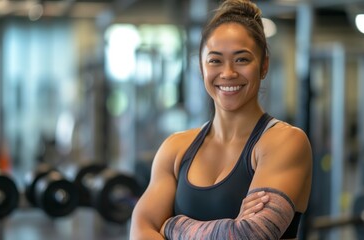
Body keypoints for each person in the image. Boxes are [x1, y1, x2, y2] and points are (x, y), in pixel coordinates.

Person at [130, 0, 312, 239]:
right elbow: (140, 231)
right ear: (201, 67)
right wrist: (227, 228)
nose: (228, 73)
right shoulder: (175, 149)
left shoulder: (285, 142)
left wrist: (172, 227)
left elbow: (249, 235)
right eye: (215, 60)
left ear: (264, 65)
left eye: (242, 59)